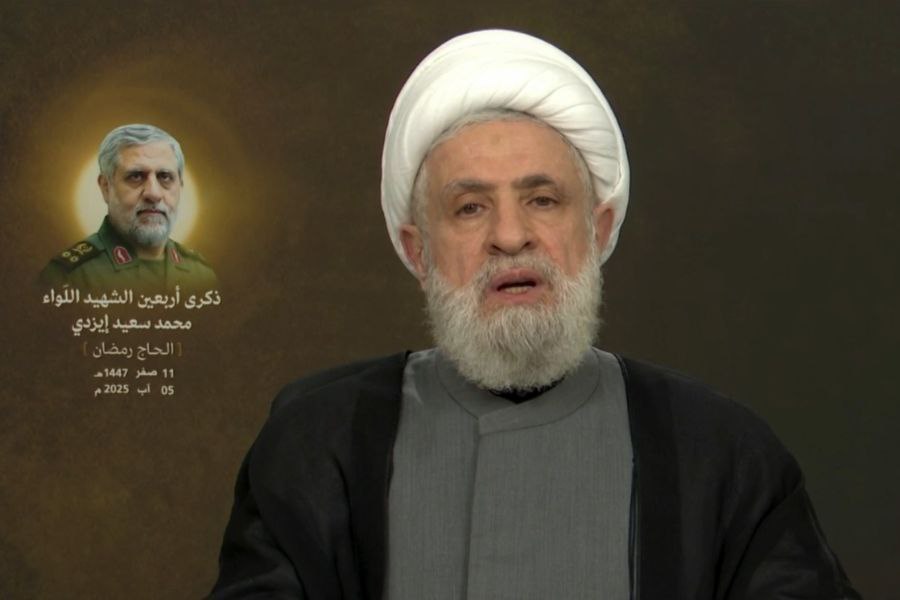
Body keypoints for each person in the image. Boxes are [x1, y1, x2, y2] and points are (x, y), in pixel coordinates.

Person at [211, 31, 860, 599]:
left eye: (543, 200)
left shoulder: (722, 453)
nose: (510, 236)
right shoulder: (317, 445)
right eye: (470, 208)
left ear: (597, 230)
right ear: (418, 251)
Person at [39, 124, 218, 293]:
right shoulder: (67, 278)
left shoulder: (202, 274)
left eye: (165, 177)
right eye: (136, 176)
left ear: (180, 187)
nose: (153, 194)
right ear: (106, 187)